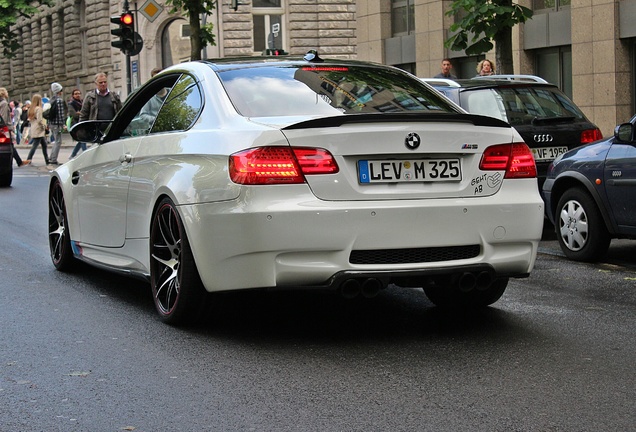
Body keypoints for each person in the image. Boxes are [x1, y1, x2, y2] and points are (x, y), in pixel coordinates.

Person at [0, 87, 26, 167]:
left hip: (5, 128)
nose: (7, 93)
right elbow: (3, 117)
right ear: (4, 93)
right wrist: (5, 128)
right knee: (9, 146)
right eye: (6, 92)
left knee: (10, 145)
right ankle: (18, 162)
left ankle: (19, 161)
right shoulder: (4, 103)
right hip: (5, 128)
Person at [23, 94, 50, 166]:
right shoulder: (39, 109)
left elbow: (30, 119)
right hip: (39, 129)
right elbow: (39, 120)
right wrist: (44, 126)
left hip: (33, 128)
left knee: (44, 145)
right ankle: (29, 159)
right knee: (35, 145)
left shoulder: (30, 109)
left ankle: (47, 160)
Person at [48, 82, 68, 165]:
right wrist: (63, 124)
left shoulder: (51, 99)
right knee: (58, 141)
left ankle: (51, 157)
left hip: (52, 124)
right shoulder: (59, 100)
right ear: (59, 91)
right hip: (57, 124)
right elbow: (60, 114)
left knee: (56, 140)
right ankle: (53, 159)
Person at [68, 88, 86, 159]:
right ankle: (86, 154)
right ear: (73, 95)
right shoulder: (71, 104)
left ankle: (72, 155)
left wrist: (80, 113)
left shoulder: (82, 102)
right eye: (76, 94)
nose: (78, 95)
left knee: (81, 140)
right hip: (76, 124)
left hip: (82, 123)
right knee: (82, 139)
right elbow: (74, 114)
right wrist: (81, 113)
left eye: (79, 93)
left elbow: (85, 111)